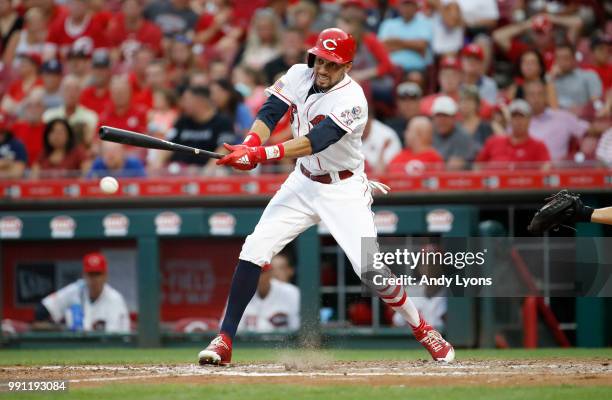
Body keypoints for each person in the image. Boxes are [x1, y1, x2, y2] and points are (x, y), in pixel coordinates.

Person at [198, 28, 454, 366]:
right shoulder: (297, 75)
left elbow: (317, 140)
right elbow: (270, 112)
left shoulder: (353, 100)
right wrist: (249, 144)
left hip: (343, 188)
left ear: (347, 66)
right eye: (319, 59)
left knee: (370, 269)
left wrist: (261, 155)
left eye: (331, 64)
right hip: (302, 182)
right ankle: (224, 339)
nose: (322, 68)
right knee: (254, 249)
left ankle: (422, 328)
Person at [33, 252, 130, 333]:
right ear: (84, 275)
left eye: (98, 274)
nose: (94, 279)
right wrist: (61, 328)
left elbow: (118, 336)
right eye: (91, 274)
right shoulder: (75, 290)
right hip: (75, 348)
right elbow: (42, 310)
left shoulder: (115, 299)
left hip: (104, 349)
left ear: (105, 276)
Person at [161, 86, 235, 169]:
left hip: (208, 173)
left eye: (186, 100)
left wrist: (206, 173)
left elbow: (223, 150)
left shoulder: (223, 122)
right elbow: (168, 145)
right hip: (178, 171)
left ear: (200, 101)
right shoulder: (182, 121)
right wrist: (156, 166)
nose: (182, 104)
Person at [524, 80, 589, 161]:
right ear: (525, 98)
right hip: (526, 170)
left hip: (556, 170)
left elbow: (589, 130)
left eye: (540, 94)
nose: (536, 98)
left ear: (546, 97)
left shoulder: (563, 117)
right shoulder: (518, 120)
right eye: (532, 94)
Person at [475, 99, 550, 168]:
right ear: (510, 120)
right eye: (514, 116)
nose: (518, 121)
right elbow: (477, 166)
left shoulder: (538, 146)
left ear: (529, 120)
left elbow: (546, 172)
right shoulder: (493, 142)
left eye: (521, 116)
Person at [237, 263, 300, 333]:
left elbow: (298, 330)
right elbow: (229, 331)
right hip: (250, 343)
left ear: (270, 272)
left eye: (261, 273)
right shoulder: (239, 294)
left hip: (281, 342)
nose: (256, 277)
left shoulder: (291, 293)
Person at [43, 74, 98, 148]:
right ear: (60, 92)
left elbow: (90, 144)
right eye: (67, 89)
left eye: (75, 90)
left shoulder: (90, 117)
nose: (71, 93)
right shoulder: (49, 116)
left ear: (80, 93)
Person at [377, 0, 433, 73]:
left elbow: (422, 45)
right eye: (404, 5)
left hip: (416, 69)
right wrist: (413, 46)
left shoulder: (425, 22)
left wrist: (396, 42)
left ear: (416, 7)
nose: (407, 8)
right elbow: (381, 47)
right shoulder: (388, 24)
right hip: (391, 69)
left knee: (415, 77)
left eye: (410, 5)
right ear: (399, 7)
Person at [551, 42, 603, 115]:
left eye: (566, 58)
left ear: (574, 59)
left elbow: (597, 102)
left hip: (582, 118)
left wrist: (582, 110)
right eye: (559, 58)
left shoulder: (588, 75)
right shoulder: (551, 80)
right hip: (557, 118)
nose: (562, 62)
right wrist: (550, 79)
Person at [431, 96, 479, 170]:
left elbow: (454, 166)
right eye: (438, 116)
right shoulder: (429, 133)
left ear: (454, 118)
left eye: (445, 116)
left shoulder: (463, 136)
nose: (442, 121)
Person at [361, 108, 401, 174]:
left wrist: (382, 153)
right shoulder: (346, 131)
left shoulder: (387, 136)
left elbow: (385, 172)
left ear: (370, 119)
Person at [0, 112, 27, 179]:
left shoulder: (16, 145)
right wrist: (6, 164)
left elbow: (18, 172)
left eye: (2, 131)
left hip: (12, 186)